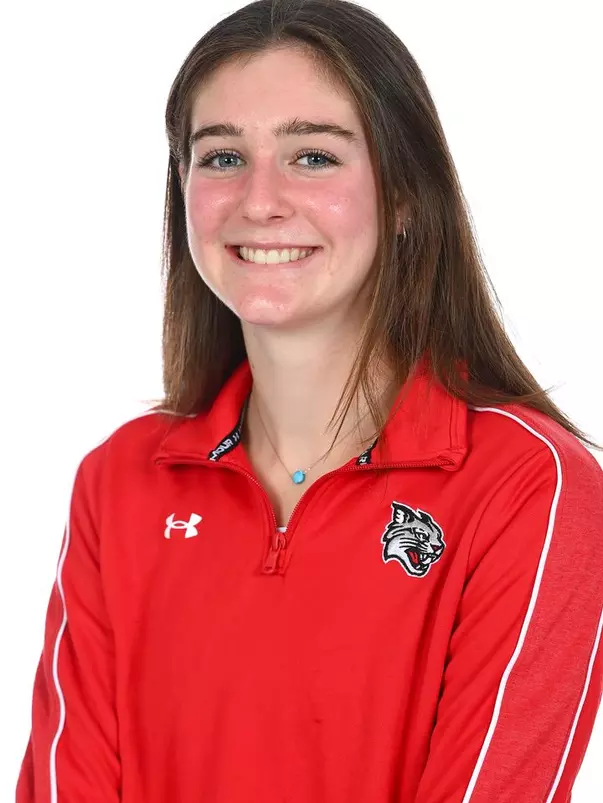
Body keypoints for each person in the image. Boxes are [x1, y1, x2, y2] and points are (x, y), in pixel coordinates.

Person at [16, 1, 603, 801]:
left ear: (405, 198)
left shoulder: (528, 486)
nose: (260, 201)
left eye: (313, 157)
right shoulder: (120, 479)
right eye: (221, 156)